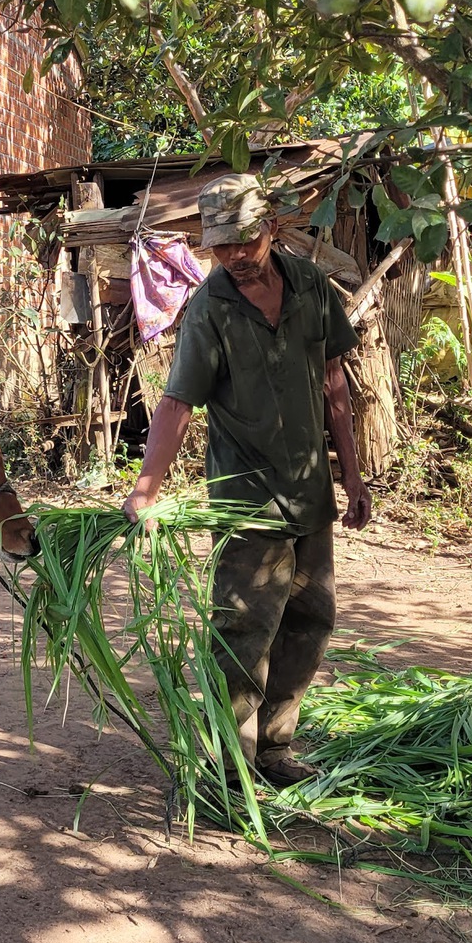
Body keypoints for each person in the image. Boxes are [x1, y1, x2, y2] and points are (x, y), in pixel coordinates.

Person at [121, 173, 371, 787]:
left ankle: (276, 748)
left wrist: (353, 476)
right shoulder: (210, 309)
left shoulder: (311, 286)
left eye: (243, 241)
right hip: (247, 500)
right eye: (219, 245)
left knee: (310, 619)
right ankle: (228, 764)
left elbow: (335, 382)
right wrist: (145, 490)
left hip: (309, 491)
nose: (232, 256)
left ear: (270, 229)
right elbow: (178, 405)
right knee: (241, 630)